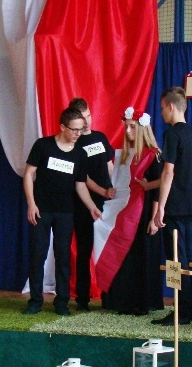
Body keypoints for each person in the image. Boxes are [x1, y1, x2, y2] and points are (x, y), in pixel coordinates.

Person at [23, 107, 101, 316]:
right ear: (62, 127)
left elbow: (80, 185)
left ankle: (62, 302)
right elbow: (29, 174)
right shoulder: (43, 145)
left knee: (63, 257)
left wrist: (92, 207)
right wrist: (31, 204)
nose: (78, 134)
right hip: (41, 210)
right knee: (37, 255)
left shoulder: (80, 153)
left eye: (81, 129)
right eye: (74, 129)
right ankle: (35, 301)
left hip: (66, 212)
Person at [97, 107, 164, 315]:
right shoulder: (125, 155)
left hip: (144, 212)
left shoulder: (154, 155)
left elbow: (158, 189)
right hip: (125, 210)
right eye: (126, 127)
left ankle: (142, 302)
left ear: (142, 128)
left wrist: (154, 217)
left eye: (132, 127)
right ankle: (122, 300)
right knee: (126, 256)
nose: (127, 131)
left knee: (143, 257)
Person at [152, 86, 192, 326]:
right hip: (191, 205)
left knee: (175, 260)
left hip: (175, 206)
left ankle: (180, 311)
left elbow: (168, 172)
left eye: (163, 108)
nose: (161, 112)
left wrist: (160, 206)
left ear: (171, 107)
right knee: (189, 257)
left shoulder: (172, 134)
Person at [69, 98, 116, 311]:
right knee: (85, 250)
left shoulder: (100, 137)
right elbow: (83, 178)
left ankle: (109, 296)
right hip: (85, 204)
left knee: (107, 250)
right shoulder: (75, 144)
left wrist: (114, 190)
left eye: (88, 116)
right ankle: (83, 298)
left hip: (107, 202)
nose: (87, 121)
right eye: (82, 118)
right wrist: (102, 191)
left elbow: (110, 166)